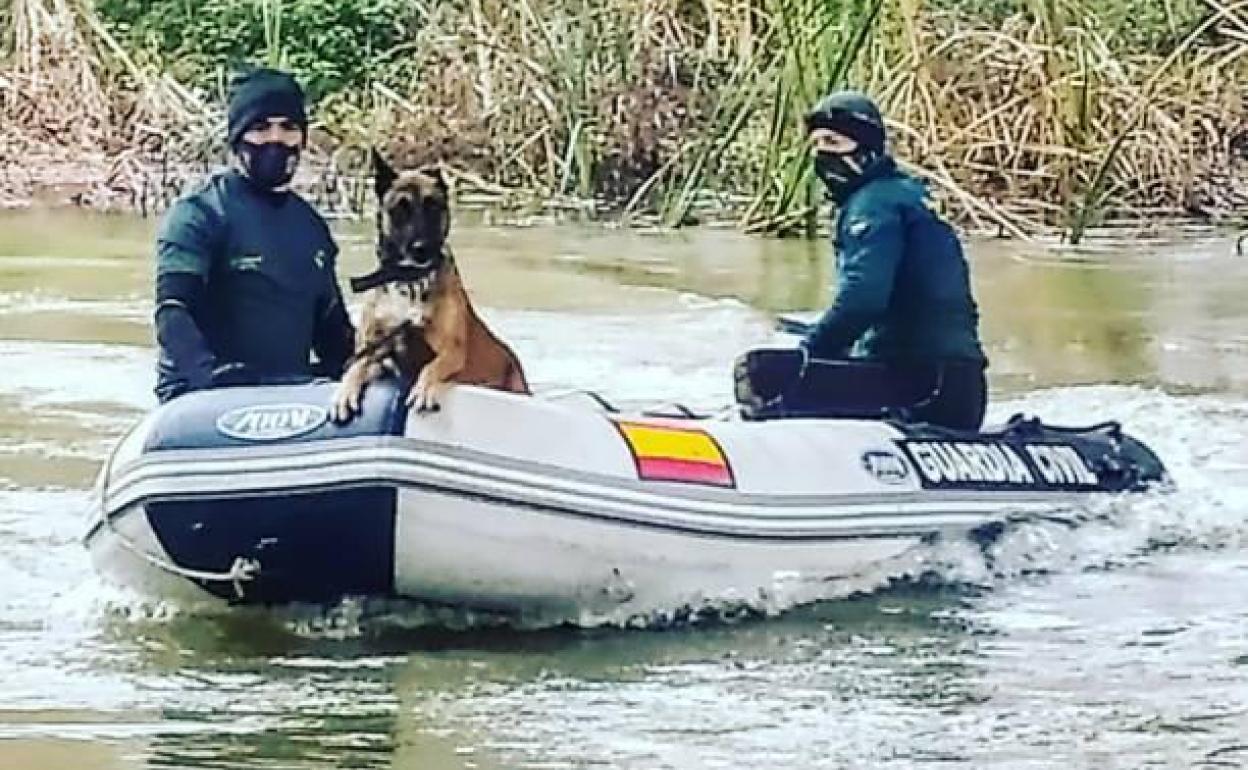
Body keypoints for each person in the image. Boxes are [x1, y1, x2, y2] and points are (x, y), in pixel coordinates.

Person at [152, 67, 354, 402]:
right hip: (202, 401)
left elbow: (333, 334)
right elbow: (173, 312)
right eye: (261, 127)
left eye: (288, 127)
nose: (276, 139)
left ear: (302, 138)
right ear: (237, 137)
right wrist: (208, 380)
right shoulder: (198, 213)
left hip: (289, 401)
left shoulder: (312, 228)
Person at [790, 90, 988, 430]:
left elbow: (863, 299)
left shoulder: (872, 205)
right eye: (818, 144)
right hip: (962, 386)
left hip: (917, 387)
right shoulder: (911, 195)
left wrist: (810, 352)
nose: (823, 154)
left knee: (763, 377)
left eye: (834, 143)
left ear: (866, 148)